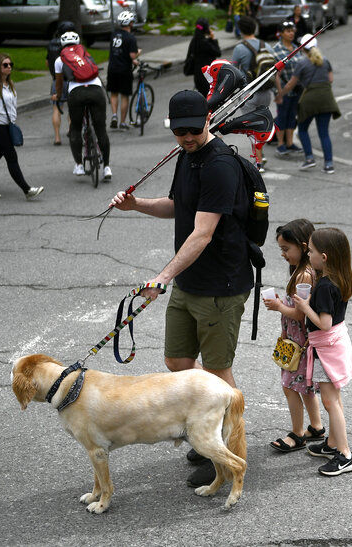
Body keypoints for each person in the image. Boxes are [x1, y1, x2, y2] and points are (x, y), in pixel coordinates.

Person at [109, 89, 253, 488]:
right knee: (177, 363)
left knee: (218, 373)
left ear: (207, 120)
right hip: (191, 281)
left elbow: (202, 232)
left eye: (193, 130)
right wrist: (135, 205)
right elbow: (178, 205)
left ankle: (228, 451)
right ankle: (204, 428)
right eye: (179, 132)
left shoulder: (221, 165)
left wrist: (163, 277)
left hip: (220, 285)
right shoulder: (187, 157)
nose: (187, 138)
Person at [292, 227, 352, 476]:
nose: (308, 254)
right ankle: (332, 444)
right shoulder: (341, 278)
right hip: (335, 345)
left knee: (330, 402)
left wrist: (304, 306)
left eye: (310, 250)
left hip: (326, 348)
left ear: (325, 256)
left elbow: (324, 323)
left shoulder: (324, 286)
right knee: (335, 400)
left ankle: (345, 454)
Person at [263, 219, 325, 453]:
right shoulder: (305, 271)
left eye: (286, 249)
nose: (283, 254)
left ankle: (297, 434)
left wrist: (279, 306)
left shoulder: (304, 276)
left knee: (290, 386)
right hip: (300, 338)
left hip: (298, 341)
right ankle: (316, 427)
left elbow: (300, 314)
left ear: (302, 246)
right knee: (305, 386)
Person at [0, 53, 44, 201]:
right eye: (5, 65)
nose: (9, 67)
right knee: (11, 157)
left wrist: (12, 122)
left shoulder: (9, 84)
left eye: (10, 64)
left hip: (5, 126)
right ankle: (27, 190)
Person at [54, 31, 112, 182]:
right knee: (101, 129)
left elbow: (59, 83)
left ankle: (79, 165)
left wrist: (59, 97)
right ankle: (106, 167)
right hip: (96, 91)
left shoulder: (60, 60)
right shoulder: (86, 54)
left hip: (76, 93)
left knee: (75, 128)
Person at [281, 39, 340, 174]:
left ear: (303, 48)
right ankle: (329, 164)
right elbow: (330, 79)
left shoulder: (301, 62)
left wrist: (281, 94)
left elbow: (291, 83)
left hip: (309, 100)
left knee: (302, 129)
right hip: (326, 99)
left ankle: (309, 159)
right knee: (324, 133)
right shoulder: (325, 60)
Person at [230, 15, 274, 170]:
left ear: (241, 30)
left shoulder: (240, 48)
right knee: (262, 123)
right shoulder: (266, 45)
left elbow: (233, 70)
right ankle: (261, 153)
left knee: (251, 127)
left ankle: (258, 162)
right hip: (266, 92)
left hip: (249, 92)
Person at [272, 21, 304, 156]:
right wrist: (279, 93)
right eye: (287, 31)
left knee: (292, 116)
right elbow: (275, 75)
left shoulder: (296, 48)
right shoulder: (276, 50)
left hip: (297, 89)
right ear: (280, 33)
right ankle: (280, 144)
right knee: (282, 116)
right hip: (283, 90)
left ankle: (290, 143)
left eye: (292, 30)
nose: (291, 33)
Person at [106, 11, 141, 130]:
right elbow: (132, 55)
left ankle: (114, 115)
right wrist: (138, 53)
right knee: (124, 96)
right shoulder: (130, 38)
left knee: (114, 93)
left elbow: (120, 52)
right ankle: (122, 122)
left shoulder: (114, 35)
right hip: (124, 70)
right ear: (130, 23)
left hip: (112, 68)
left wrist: (132, 60)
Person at [46, 21, 77, 146]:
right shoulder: (72, 43)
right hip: (70, 80)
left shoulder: (51, 43)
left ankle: (57, 137)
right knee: (72, 108)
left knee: (56, 108)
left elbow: (47, 62)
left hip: (56, 80)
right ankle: (71, 130)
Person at [183, 17, 222, 96]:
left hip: (197, 76)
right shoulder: (205, 43)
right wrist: (213, 39)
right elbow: (218, 52)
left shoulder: (194, 41)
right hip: (207, 77)